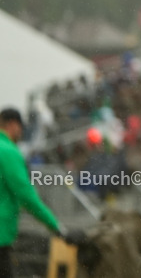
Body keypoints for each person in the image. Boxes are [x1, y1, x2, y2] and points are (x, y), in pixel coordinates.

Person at [0, 107, 66, 278]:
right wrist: (56, 226)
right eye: (21, 127)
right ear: (13, 125)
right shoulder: (8, 151)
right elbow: (26, 196)